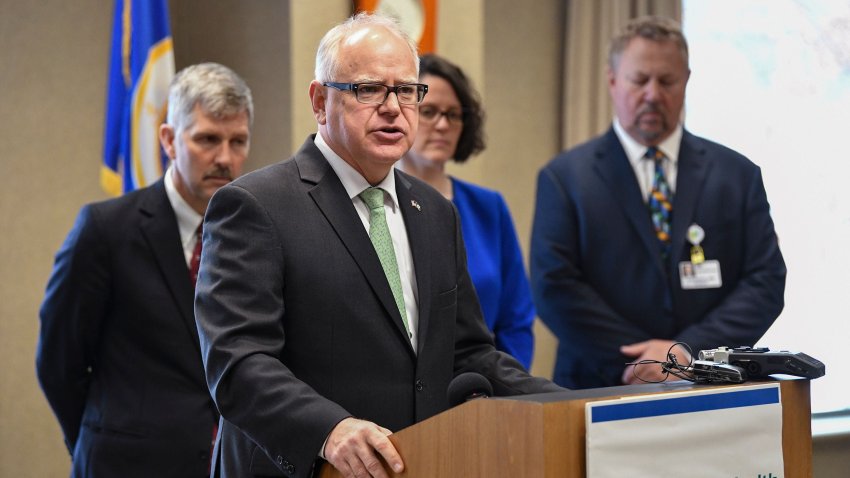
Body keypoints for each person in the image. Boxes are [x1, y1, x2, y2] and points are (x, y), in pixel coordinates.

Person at [193, 13, 563, 478]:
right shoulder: (254, 206)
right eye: (368, 89)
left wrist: (563, 404)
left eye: (406, 90)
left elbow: (466, 352)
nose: (393, 107)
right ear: (320, 100)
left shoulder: (435, 212)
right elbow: (237, 362)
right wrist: (330, 430)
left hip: (418, 464)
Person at [530, 16, 786, 389]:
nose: (653, 94)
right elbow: (554, 286)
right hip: (601, 386)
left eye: (666, 81)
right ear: (613, 81)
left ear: (686, 82)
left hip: (712, 387)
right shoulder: (565, 178)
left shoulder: (737, 175)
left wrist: (686, 353)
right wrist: (641, 360)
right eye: (639, 80)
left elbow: (765, 281)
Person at [36, 62, 253, 477]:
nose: (225, 158)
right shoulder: (106, 230)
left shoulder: (253, 235)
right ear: (169, 140)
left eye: (237, 141)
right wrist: (93, 439)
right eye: (207, 139)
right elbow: (57, 362)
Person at [397, 53, 535, 369]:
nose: (443, 125)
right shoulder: (380, 203)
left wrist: (504, 393)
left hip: (487, 389)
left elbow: (516, 318)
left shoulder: (489, 207)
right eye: (429, 111)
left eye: (453, 114)